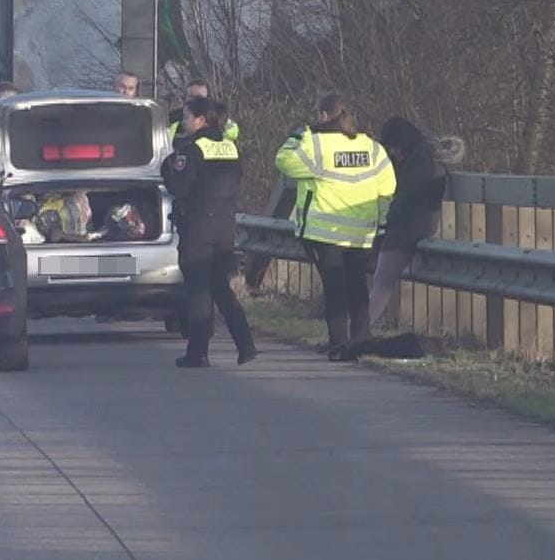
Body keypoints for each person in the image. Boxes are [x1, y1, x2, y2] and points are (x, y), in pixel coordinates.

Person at [274, 92, 396, 360]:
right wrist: (382, 223)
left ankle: (339, 342)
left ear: (325, 116)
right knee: (357, 286)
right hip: (361, 233)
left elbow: (284, 161)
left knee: (334, 288)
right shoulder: (372, 147)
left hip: (325, 233)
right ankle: (361, 339)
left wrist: (298, 136)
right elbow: (387, 188)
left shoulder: (316, 145)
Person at [162, 96, 256, 368]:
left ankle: (198, 353)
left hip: (199, 225)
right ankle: (246, 344)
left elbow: (178, 187)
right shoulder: (230, 147)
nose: (185, 122)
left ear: (201, 120)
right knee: (220, 289)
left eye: (188, 117)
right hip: (225, 226)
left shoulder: (193, 149)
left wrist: (169, 168)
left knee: (198, 290)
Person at [368, 117, 450, 328]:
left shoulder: (421, 161)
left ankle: (358, 331)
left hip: (410, 227)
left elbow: (407, 197)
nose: (392, 153)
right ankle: (355, 330)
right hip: (416, 224)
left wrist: (385, 220)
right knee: (379, 280)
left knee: (381, 283)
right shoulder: (423, 158)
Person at [168, 78, 239, 142]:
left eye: (199, 97)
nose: (195, 100)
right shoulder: (173, 118)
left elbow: (232, 132)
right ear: (185, 97)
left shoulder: (218, 118)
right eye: (191, 96)